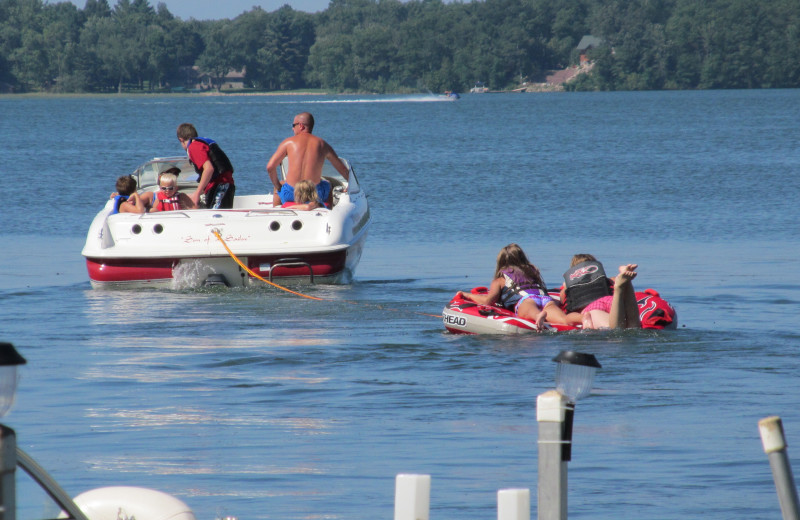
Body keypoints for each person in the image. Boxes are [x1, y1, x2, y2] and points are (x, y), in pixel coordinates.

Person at [457, 243, 571, 330]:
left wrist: (466, 294)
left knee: (532, 313)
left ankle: (537, 316)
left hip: (526, 301)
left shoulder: (500, 279)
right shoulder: (532, 272)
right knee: (564, 321)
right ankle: (583, 319)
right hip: (545, 300)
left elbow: (488, 301)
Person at [266, 112, 349, 207]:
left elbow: (270, 167)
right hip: (315, 194)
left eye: (294, 125)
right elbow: (342, 169)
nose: (292, 128)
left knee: (279, 186)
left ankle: (277, 211)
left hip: (291, 194)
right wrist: (351, 186)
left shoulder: (288, 143)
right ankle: (327, 210)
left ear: (301, 126)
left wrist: (278, 186)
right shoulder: (322, 144)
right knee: (328, 184)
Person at [560, 254, 641, 329]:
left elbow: (563, 301)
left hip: (594, 308)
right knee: (634, 326)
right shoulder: (607, 280)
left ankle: (618, 289)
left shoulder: (569, 287)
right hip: (612, 301)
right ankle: (627, 283)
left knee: (614, 330)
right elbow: (613, 281)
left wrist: (564, 287)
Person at [177, 123, 235, 209]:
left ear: (181, 140)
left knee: (216, 217)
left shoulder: (194, 146)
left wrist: (197, 193)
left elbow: (209, 169)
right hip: (223, 184)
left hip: (221, 185)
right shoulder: (202, 142)